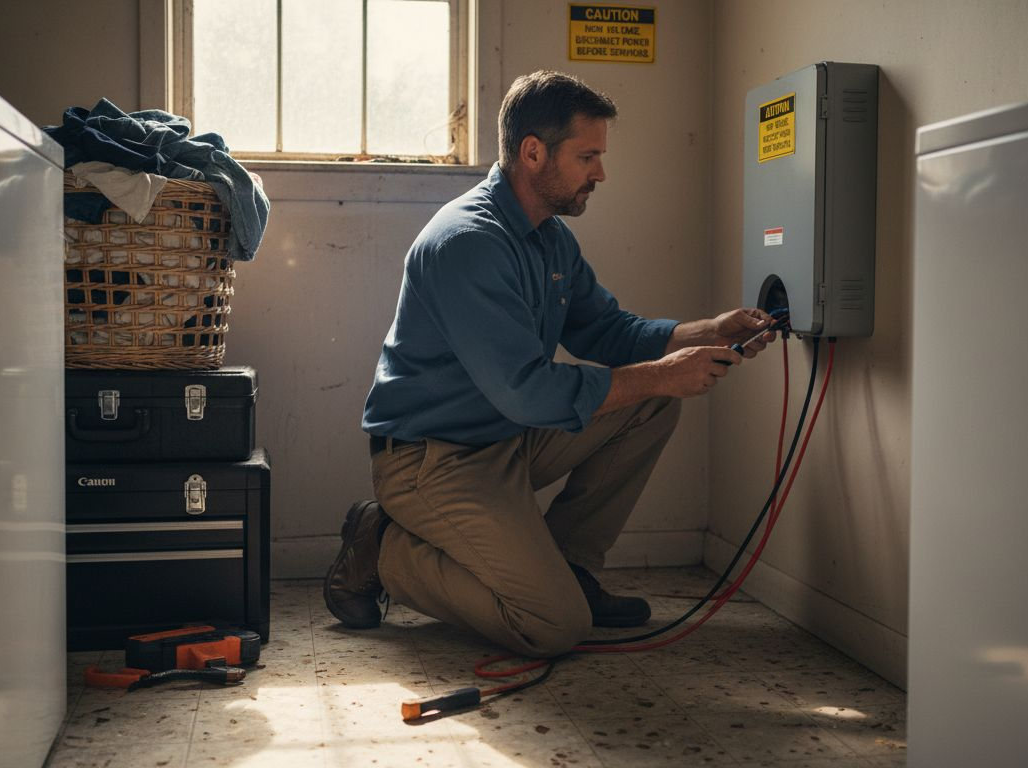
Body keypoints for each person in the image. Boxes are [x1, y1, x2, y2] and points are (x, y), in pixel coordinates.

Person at [324, 70, 775, 658]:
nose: (601, 173)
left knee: (653, 399)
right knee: (552, 626)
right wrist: (665, 371)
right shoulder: (467, 243)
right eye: (587, 156)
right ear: (533, 153)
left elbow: (607, 331)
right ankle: (381, 546)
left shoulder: (550, 237)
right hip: (432, 460)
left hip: (504, 437)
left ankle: (569, 569)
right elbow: (528, 393)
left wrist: (706, 331)